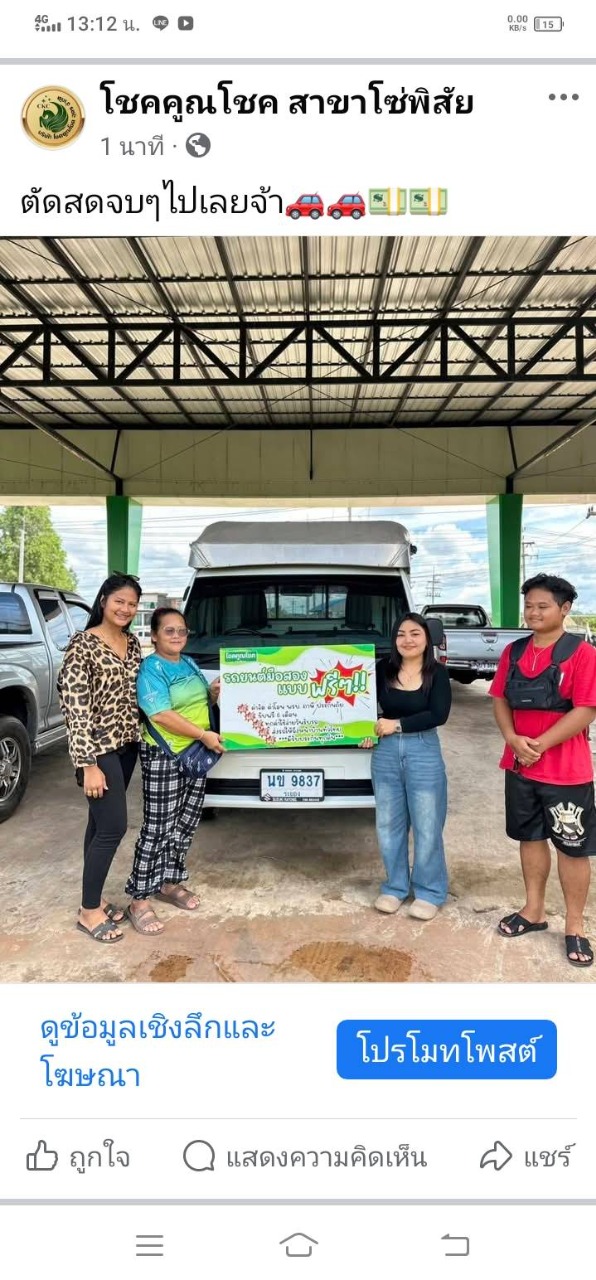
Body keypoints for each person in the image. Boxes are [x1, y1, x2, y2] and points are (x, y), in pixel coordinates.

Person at [490, 572, 596, 968]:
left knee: (572, 847)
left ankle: (575, 925)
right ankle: (533, 910)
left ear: (565, 609)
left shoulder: (582, 654)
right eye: (529, 605)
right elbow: (500, 698)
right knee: (530, 838)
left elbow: (587, 708)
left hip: (566, 771)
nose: (533, 612)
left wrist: (540, 745)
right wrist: (512, 738)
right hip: (520, 767)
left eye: (543, 606)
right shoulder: (514, 652)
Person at [125, 607, 225, 934]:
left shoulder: (189, 663)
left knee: (185, 822)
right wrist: (203, 735)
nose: (177, 636)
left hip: (194, 753)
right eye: (169, 630)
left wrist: (212, 694)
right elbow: (160, 714)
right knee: (158, 827)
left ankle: (168, 882)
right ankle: (139, 899)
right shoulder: (151, 669)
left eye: (182, 630)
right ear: (154, 635)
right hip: (165, 755)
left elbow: (199, 703)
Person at [57, 572, 143, 944]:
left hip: (127, 747)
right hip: (98, 750)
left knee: (98, 825)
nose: (126, 608)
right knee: (113, 828)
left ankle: (95, 897)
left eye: (132, 604)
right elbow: (75, 709)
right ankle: (88, 911)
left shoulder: (132, 643)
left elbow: (143, 692)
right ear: (104, 600)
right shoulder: (83, 645)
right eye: (119, 601)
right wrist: (87, 764)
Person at [360, 612, 452, 920]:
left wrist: (396, 724)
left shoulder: (437, 673)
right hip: (385, 751)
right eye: (401, 634)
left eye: (415, 633)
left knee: (428, 824)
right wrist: (364, 731)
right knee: (389, 823)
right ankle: (395, 887)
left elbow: (438, 714)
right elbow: (361, 705)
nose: (407, 640)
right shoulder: (381, 669)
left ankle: (429, 891)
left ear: (427, 639)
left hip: (423, 749)